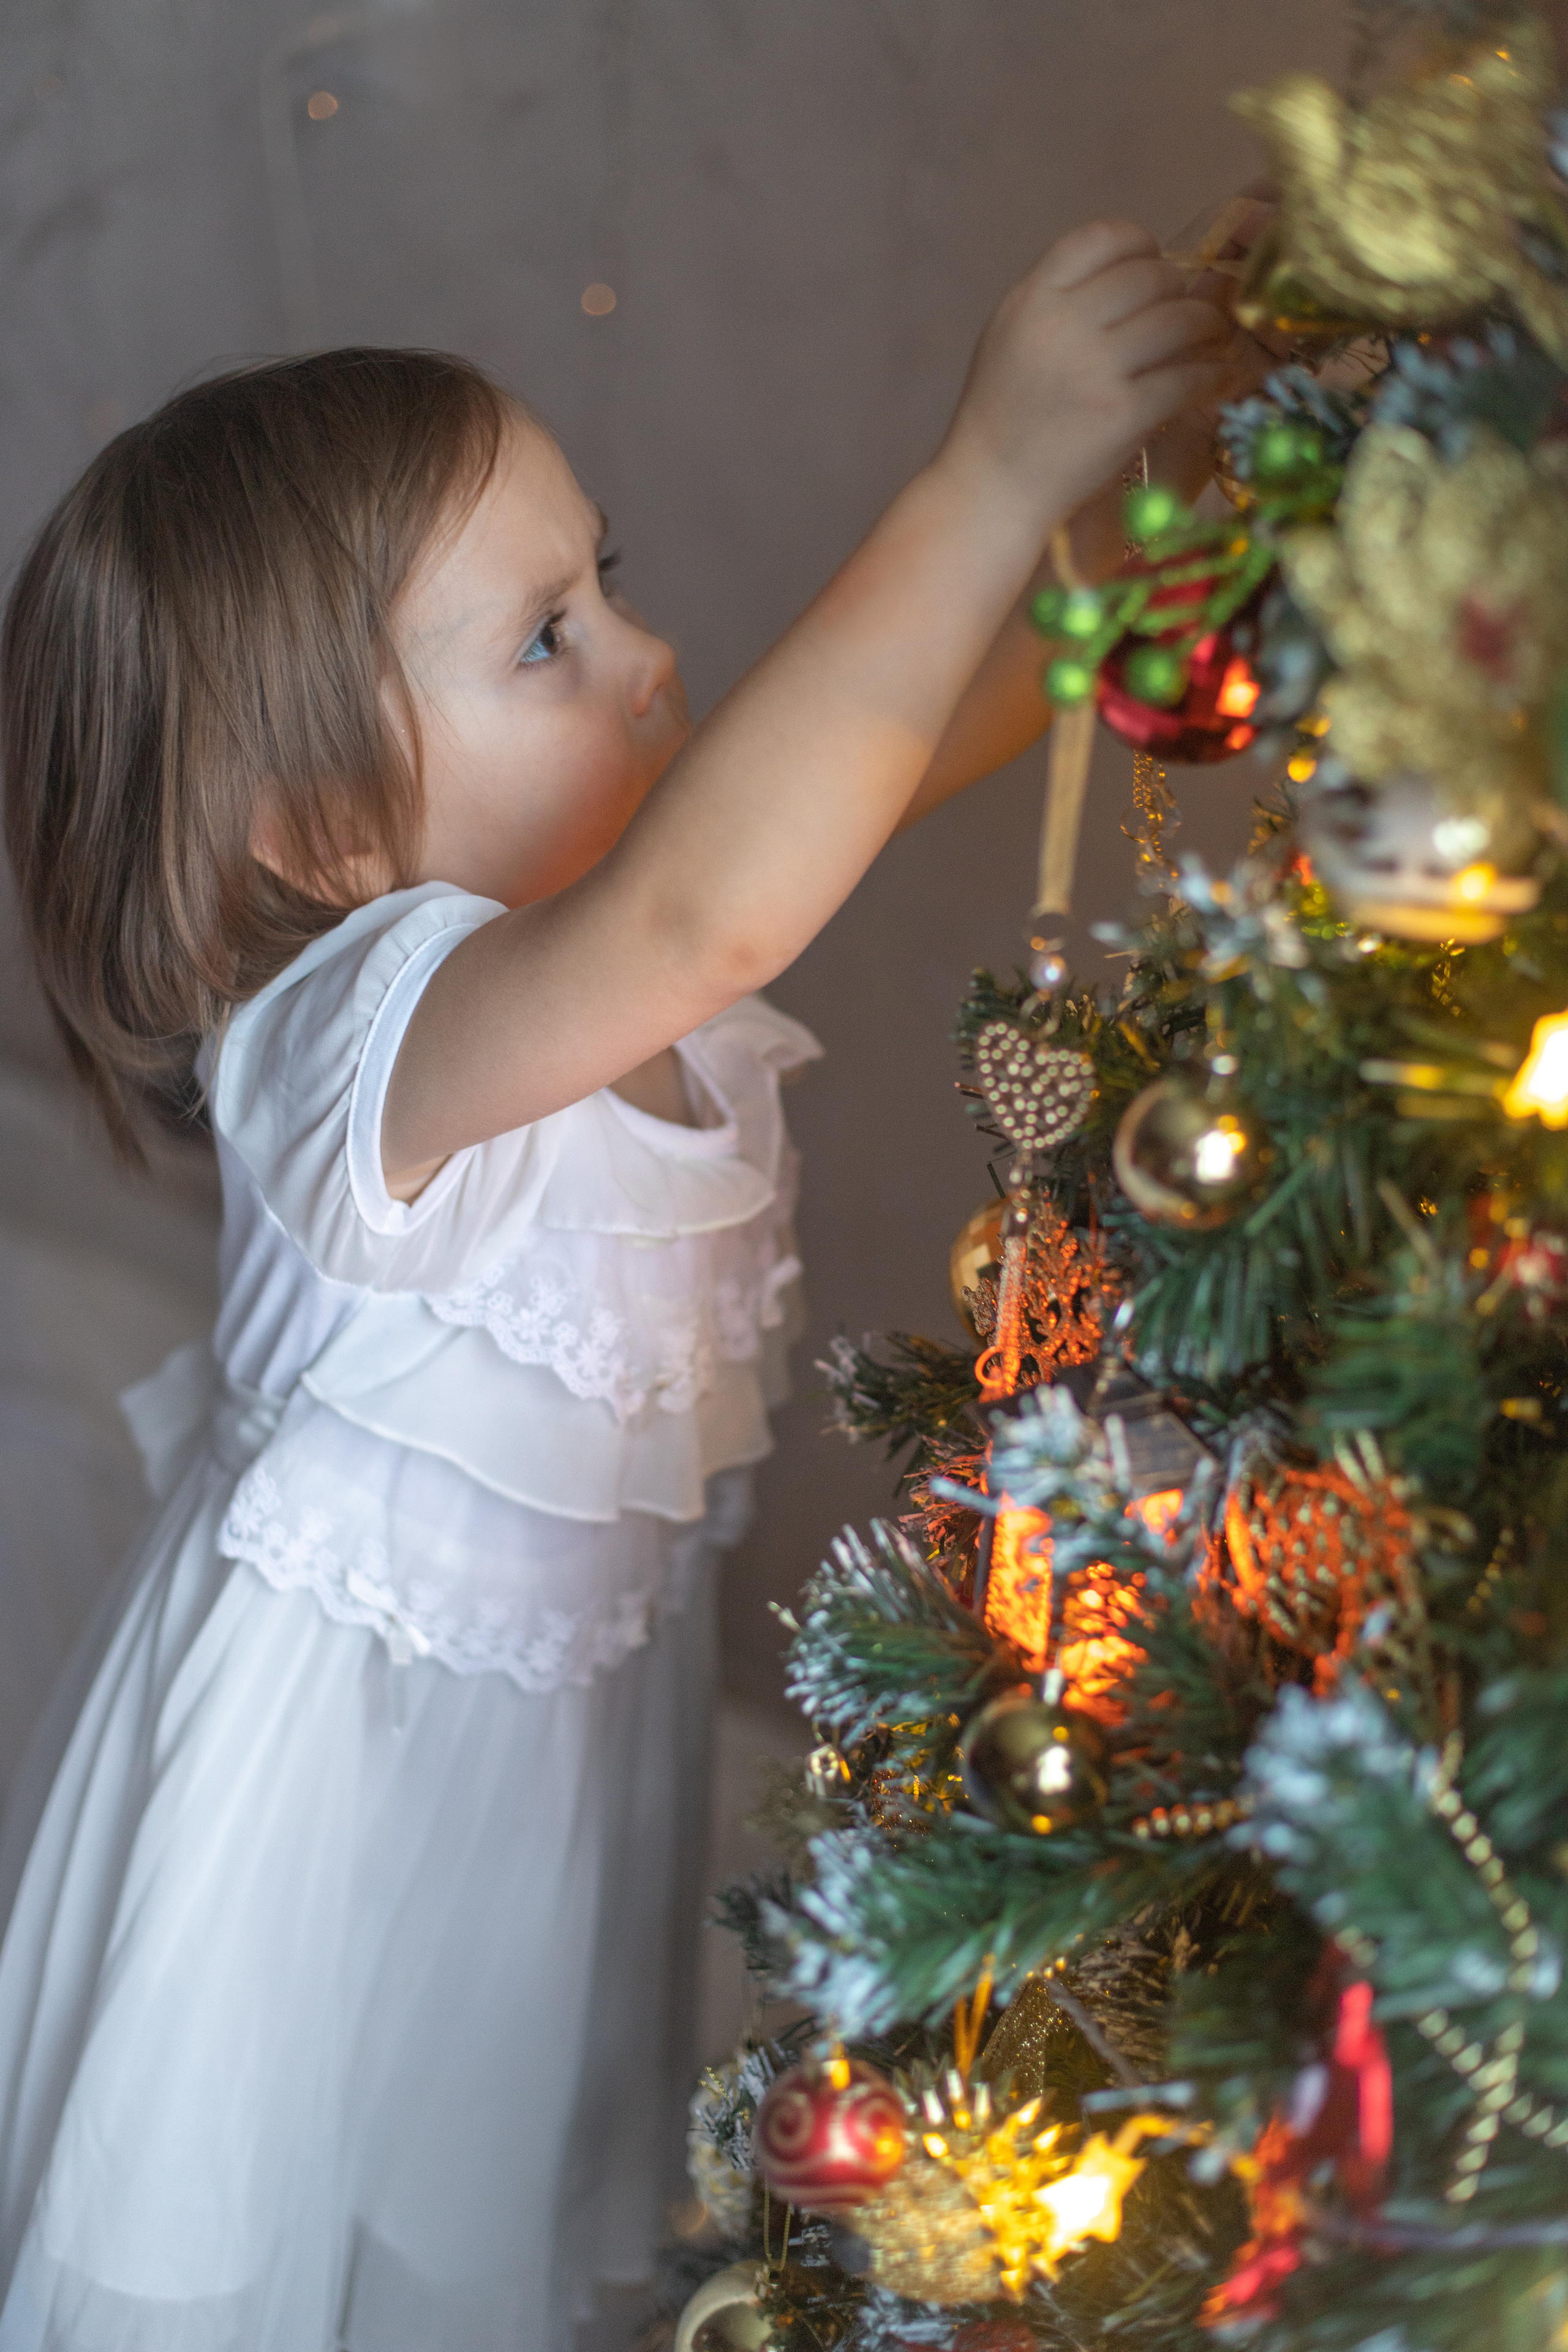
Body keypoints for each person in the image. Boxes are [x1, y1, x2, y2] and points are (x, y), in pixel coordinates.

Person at [0, 217, 1243, 2351]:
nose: (653, 662)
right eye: (548, 641)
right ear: (317, 830)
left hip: (553, 1761)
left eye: (610, 582)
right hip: (345, 1815)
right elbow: (719, 910)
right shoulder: (357, 1031)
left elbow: (821, 795)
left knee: (516, 2199)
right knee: (316, 2220)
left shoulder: (566, 945)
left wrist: (1084, 631)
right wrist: (979, 479)